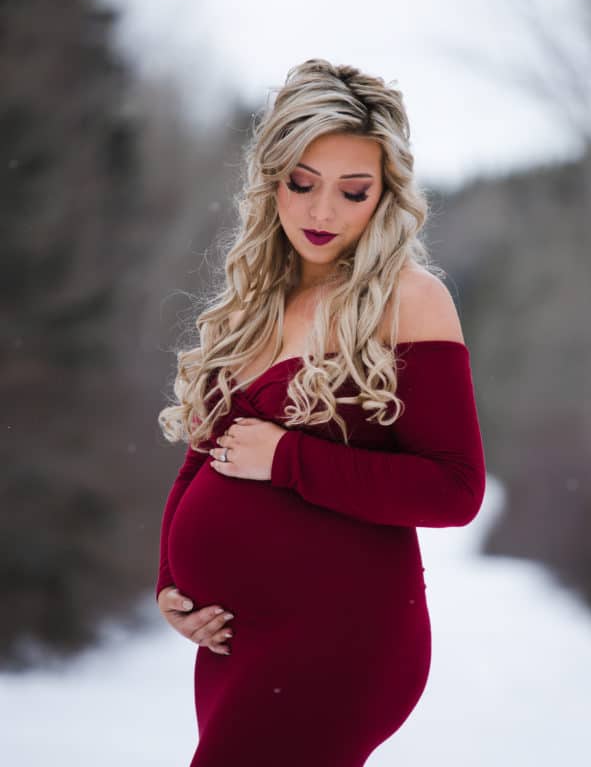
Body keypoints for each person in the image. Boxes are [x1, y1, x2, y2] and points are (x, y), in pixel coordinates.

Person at [155, 57, 486, 766]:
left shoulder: (409, 299)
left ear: (385, 196)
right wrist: (170, 581)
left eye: (353, 190)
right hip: (238, 643)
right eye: (301, 184)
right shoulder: (256, 302)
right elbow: (206, 455)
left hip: (341, 638)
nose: (322, 211)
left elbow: (456, 489)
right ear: (271, 178)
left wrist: (287, 458)